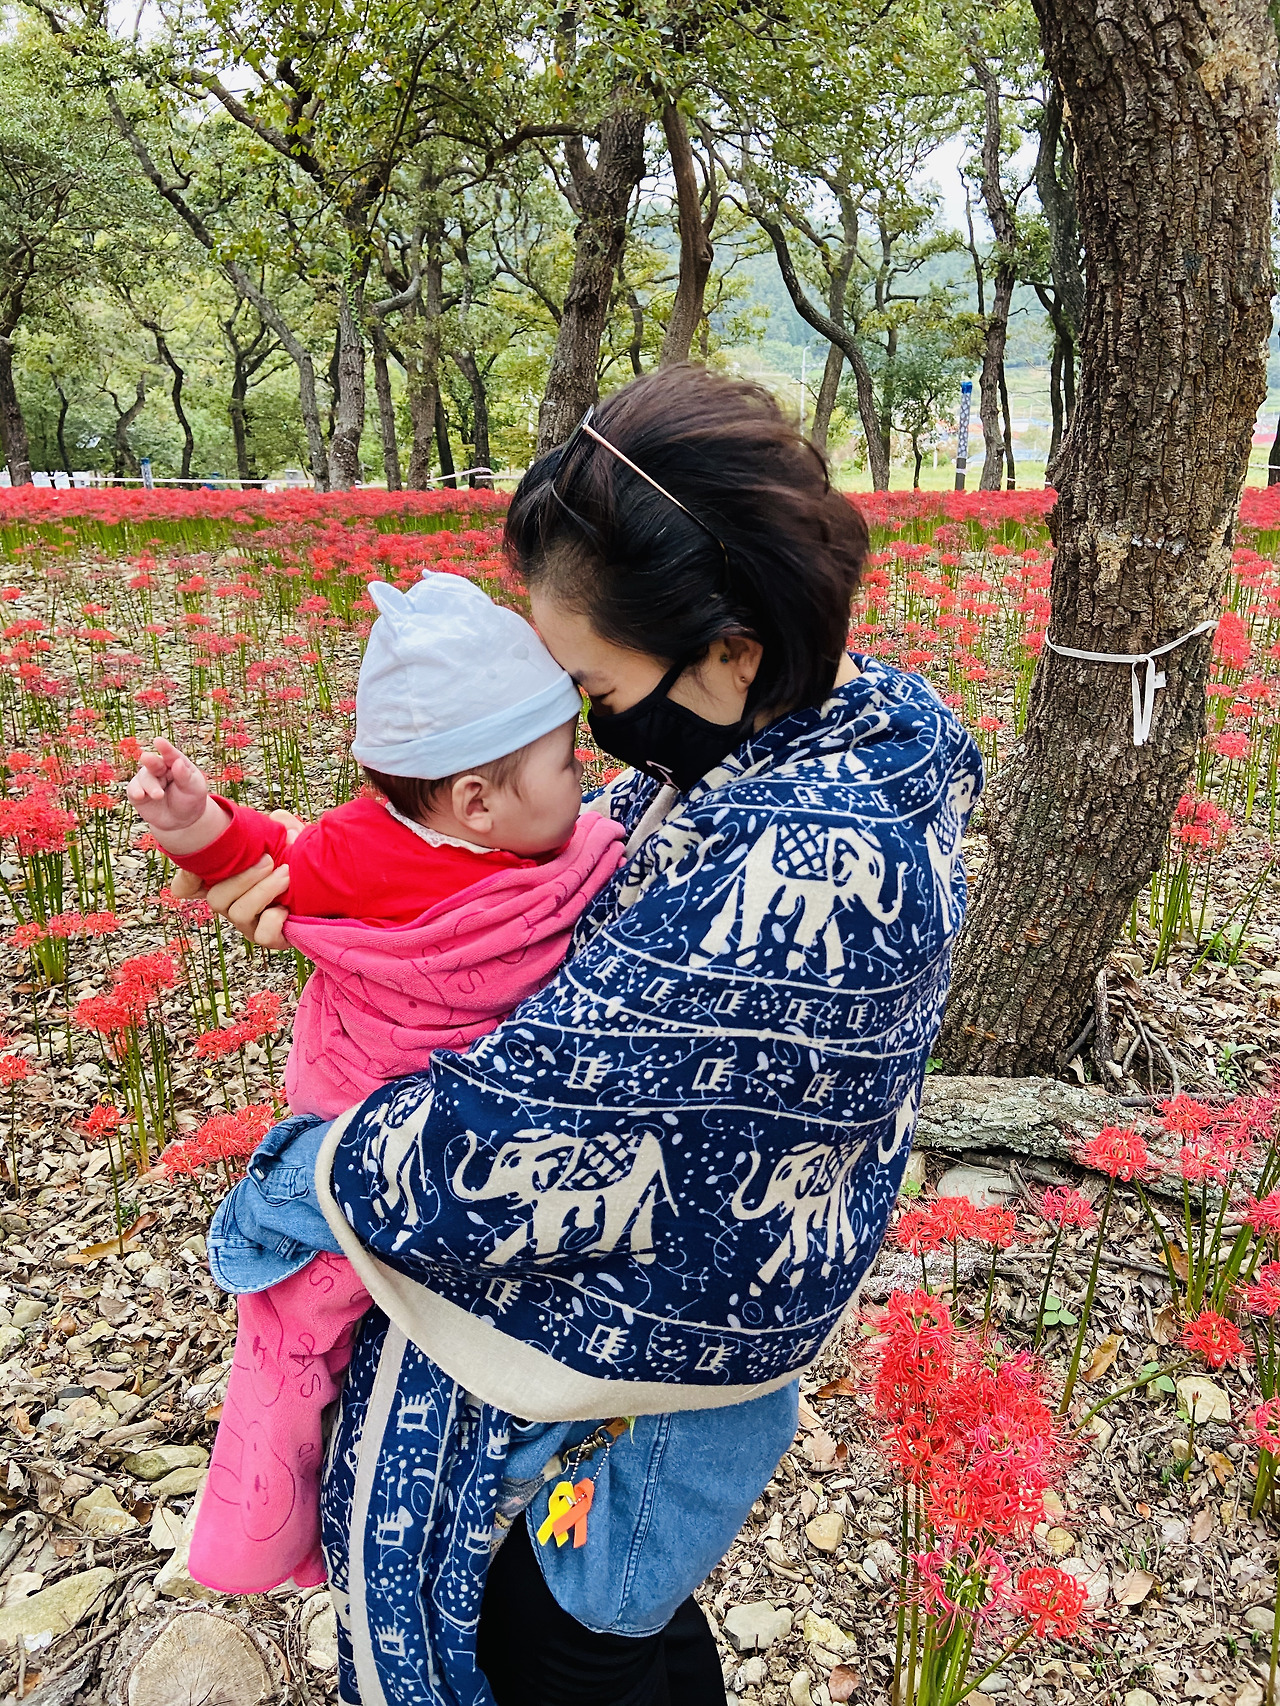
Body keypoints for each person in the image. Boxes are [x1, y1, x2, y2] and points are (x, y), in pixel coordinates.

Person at [177, 364, 983, 1706]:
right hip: (652, 1385)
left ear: (729, 650)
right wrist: (375, 910)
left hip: (621, 1387)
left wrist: (298, 1172)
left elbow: (511, 1145)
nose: (599, 736)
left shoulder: (803, 859)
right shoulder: (849, 731)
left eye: (592, 684)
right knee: (612, 1621)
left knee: (568, 1641)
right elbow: (591, 909)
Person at [126, 574, 625, 1593]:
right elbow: (260, 857)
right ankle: (259, 1535)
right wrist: (191, 820)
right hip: (367, 1103)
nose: (588, 777)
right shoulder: (357, 850)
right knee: (296, 1322)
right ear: (476, 801)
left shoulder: (552, 839)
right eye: (568, 761)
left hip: (449, 1137)